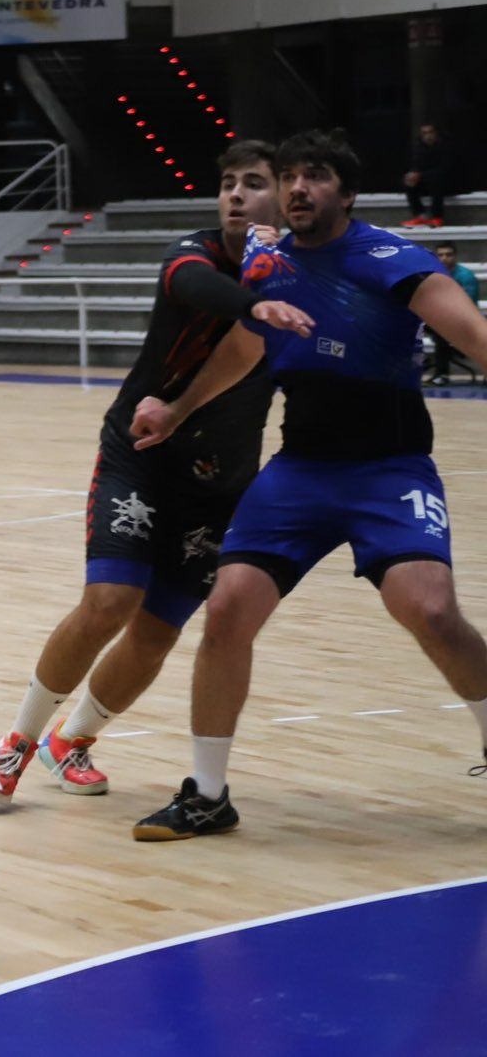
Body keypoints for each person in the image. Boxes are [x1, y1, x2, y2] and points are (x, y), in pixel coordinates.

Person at [128, 130, 487, 841]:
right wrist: (176, 408)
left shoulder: (392, 260)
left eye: (314, 176)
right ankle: (206, 793)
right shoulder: (270, 267)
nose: (296, 188)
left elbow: (476, 339)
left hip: (389, 469)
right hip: (299, 472)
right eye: (288, 176)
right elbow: (243, 347)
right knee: (228, 608)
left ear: (345, 194)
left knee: (432, 610)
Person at [0, 141, 312, 803]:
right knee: (109, 602)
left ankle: (73, 742)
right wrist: (254, 301)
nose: (235, 194)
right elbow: (194, 287)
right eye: (227, 183)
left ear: (285, 195)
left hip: (222, 482)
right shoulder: (197, 255)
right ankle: (17, 741)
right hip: (144, 451)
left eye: (253, 183)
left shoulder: (303, 277)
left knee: (158, 631)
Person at [427, 241, 479, 386]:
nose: (444, 258)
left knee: (441, 333)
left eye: (448, 255)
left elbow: (467, 307)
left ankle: (441, 375)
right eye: (440, 255)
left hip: (464, 318)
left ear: (455, 257)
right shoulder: (430, 274)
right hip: (437, 317)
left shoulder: (465, 276)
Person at [402, 121, 450, 228]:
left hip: (445, 182)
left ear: (436, 133)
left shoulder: (445, 147)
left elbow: (445, 169)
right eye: (424, 133)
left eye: (430, 132)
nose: (428, 136)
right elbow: (416, 166)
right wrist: (412, 174)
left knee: (436, 180)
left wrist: (421, 175)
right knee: (409, 182)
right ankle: (420, 215)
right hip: (427, 181)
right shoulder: (420, 148)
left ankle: (437, 217)